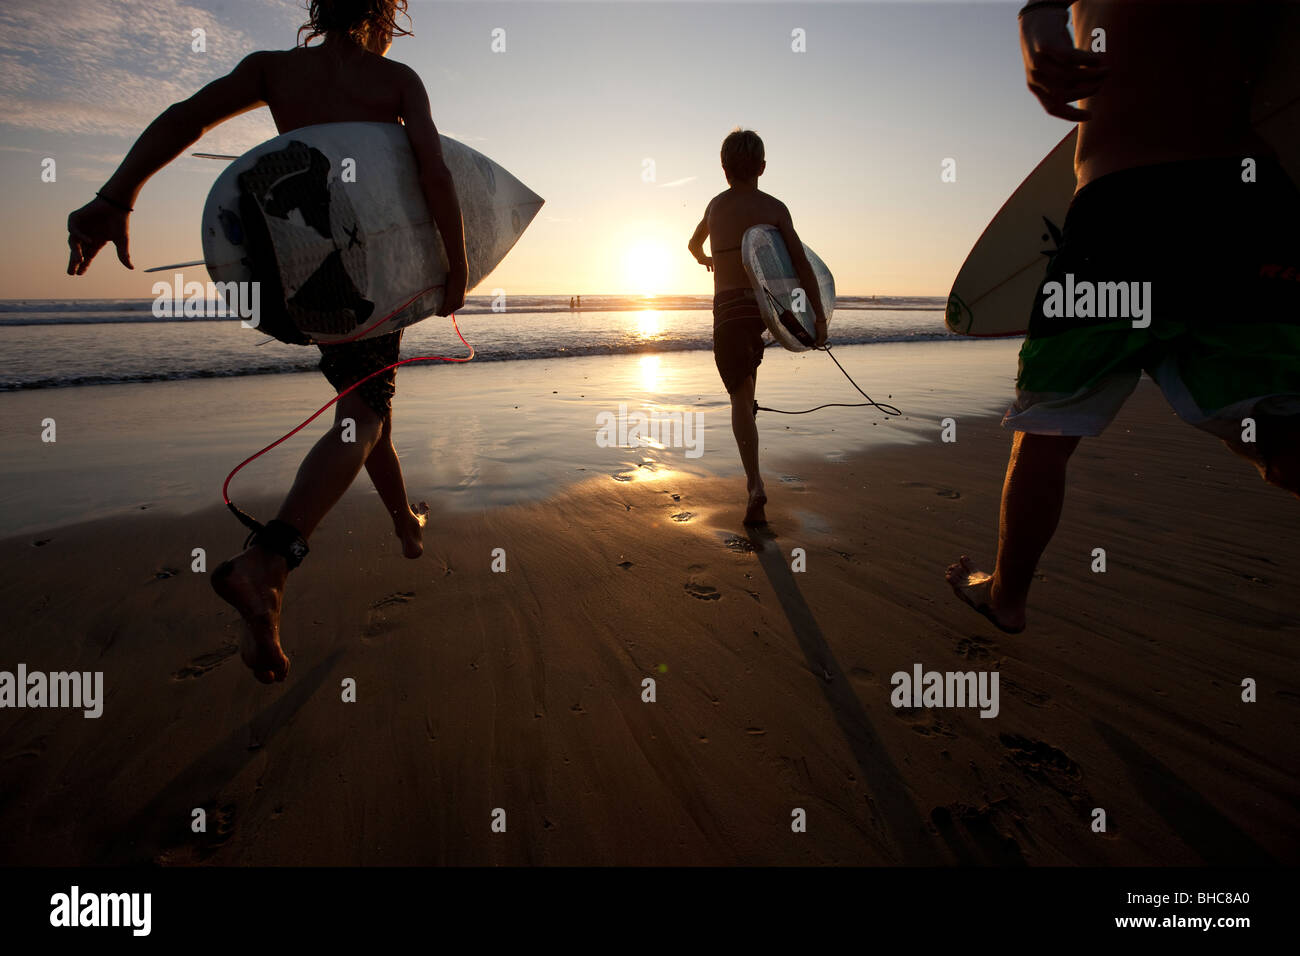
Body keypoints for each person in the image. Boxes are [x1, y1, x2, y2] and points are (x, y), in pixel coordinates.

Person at [65, 0, 469, 682]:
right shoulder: (398, 80)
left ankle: (404, 524)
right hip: (362, 272)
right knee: (363, 416)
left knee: (366, 406)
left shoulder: (272, 71)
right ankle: (270, 559)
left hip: (295, 272)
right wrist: (454, 267)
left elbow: (187, 117)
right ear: (385, 10)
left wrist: (116, 195)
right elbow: (433, 174)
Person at [947, 0, 1300, 633]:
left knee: (1048, 426)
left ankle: (1006, 596)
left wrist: (1037, 22)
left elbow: (1047, 14)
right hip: (1248, 201)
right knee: (1284, 433)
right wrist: (1038, 19)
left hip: (1120, 204)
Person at [688, 128, 827, 524]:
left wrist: (705, 259)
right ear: (762, 167)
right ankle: (753, 463)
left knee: (738, 398)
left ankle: (754, 485)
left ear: (723, 168)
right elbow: (800, 265)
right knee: (746, 388)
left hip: (729, 308)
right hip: (764, 311)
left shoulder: (715, 207)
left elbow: (693, 244)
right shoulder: (775, 208)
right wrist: (816, 316)